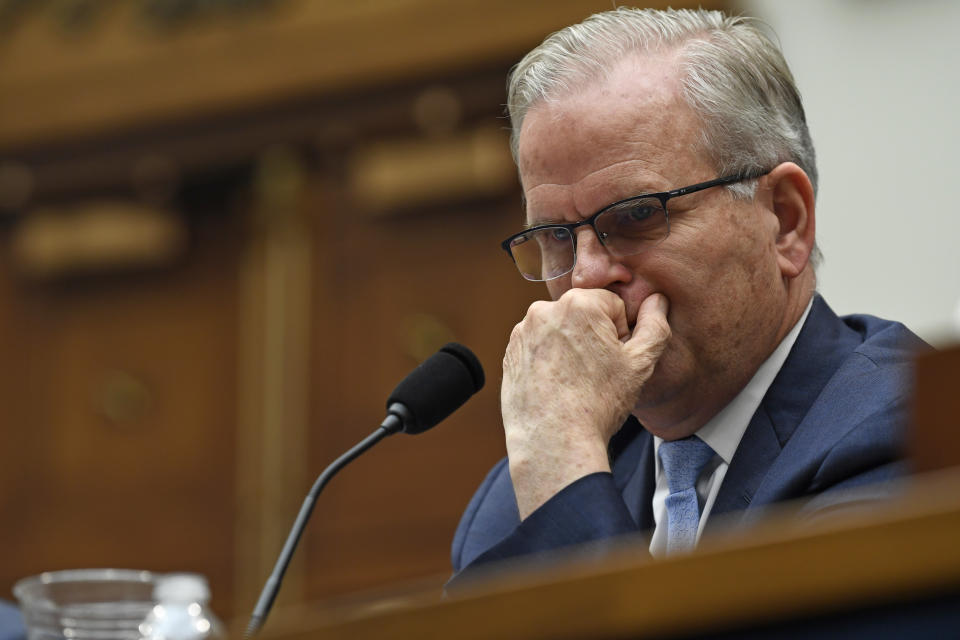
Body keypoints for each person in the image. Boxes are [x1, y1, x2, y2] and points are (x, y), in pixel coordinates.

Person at [450, 7, 928, 580]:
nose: (586, 278)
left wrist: (564, 476)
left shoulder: (912, 434)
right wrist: (561, 464)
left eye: (636, 216)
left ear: (785, 220)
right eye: (556, 236)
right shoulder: (515, 503)